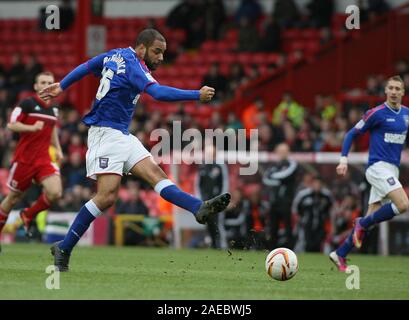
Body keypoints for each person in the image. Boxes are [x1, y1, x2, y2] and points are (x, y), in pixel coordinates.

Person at [39, 29, 231, 271]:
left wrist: (62, 86)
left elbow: (88, 66)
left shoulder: (114, 55)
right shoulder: (134, 65)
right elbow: (158, 93)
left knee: (157, 176)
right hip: (104, 134)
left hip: (122, 135)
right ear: (141, 48)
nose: (161, 57)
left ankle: (197, 207)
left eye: (163, 52)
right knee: (107, 197)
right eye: (156, 51)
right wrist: (196, 94)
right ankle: (64, 247)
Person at [330, 75, 409, 272]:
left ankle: (340, 253)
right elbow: (351, 134)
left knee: (371, 219)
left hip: (392, 169)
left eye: (397, 88)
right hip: (377, 168)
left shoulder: (407, 115)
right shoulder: (376, 113)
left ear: (402, 92)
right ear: (385, 91)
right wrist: (343, 160)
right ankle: (361, 222)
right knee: (403, 204)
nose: (393, 91)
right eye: (390, 88)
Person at [0, 72, 63, 252]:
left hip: (43, 159)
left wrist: (58, 148)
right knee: (12, 199)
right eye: (43, 82)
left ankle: (28, 215)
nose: (46, 85)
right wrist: (31, 127)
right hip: (24, 161)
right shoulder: (27, 103)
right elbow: (11, 124)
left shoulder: (54, 108)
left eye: (50, 83)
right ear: (36, 86)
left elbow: (51, 130)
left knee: (55, 192)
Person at [262, 143, 298, 249]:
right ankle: (272, 250)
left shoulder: (292, 164)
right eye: (280, 151)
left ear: (288, 152)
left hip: (286, 201)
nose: (282, 153)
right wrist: (279, 181)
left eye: (284, 151)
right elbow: (266, 179)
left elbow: (285, 174)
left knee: (288, 226)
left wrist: (273, 177)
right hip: (274, 201)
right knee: (273, 227)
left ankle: (290, 250)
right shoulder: (274, 166)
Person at [292, 176, 333, 252]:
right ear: (312, 184)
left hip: (321, 224)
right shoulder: (303, 194)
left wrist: (331, 225)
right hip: (306, 224)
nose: (317, 185)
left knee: (318, 245)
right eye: (316, 183)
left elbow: (331, 209)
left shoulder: (326, 195)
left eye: (319, 184)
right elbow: (295, 209)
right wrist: (299, 221)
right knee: (306, 244)